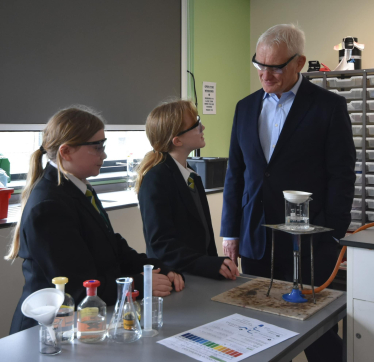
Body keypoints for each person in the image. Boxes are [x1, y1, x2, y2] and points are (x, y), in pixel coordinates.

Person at [220, 24, 355, 362]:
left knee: (318, 335)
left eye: (276, 67)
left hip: (310, 241)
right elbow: (236, 174)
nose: (265, 75)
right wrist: (230, 233)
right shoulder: (245, 107)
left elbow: (342, 175)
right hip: (256, 239)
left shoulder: (328, 107)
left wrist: (332, 233)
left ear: (299, 63)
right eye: (260, 65)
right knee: (255, 327)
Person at [6, 106, 184, 334]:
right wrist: (140, 283)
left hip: (83, 323)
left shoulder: (78, 187)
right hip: (48, 332)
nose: (105, 155)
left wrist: (155, 268)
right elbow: (77, 288)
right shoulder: (48, 205)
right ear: (66, 152)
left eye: (104, 145)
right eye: (97, 147)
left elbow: (112, 245)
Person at [136, 100, 240, 280]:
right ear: (177, 140)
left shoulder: (191, 175)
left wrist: (215, 266)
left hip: (198, 276)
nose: (203, 127)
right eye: (196, 125)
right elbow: (162, 245)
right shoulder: (156, 179)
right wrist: (208, 264)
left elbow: (204, 238)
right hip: (177, 279)